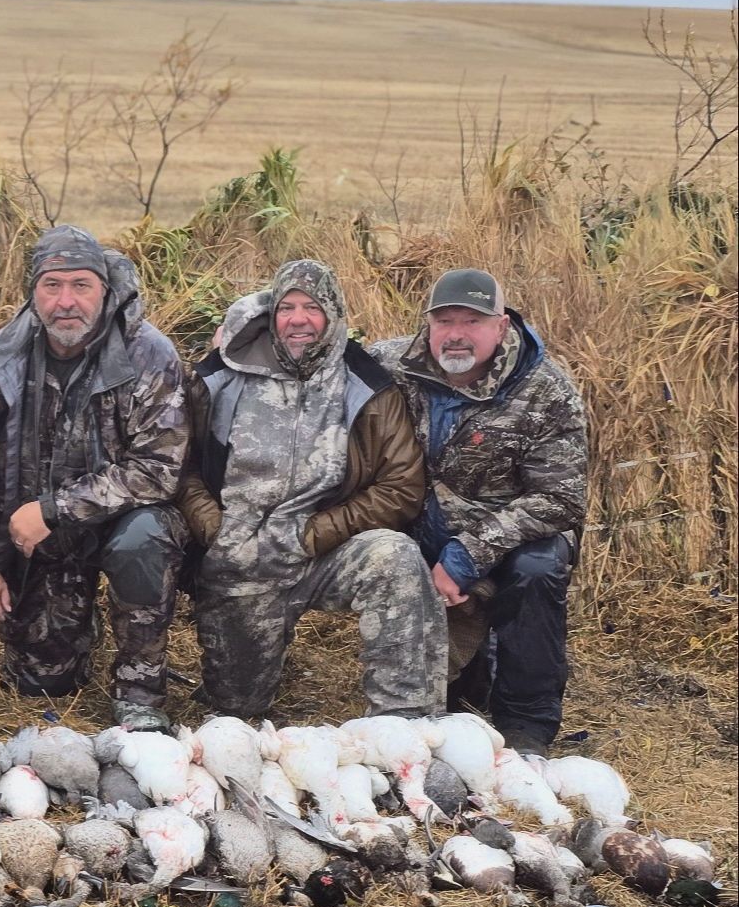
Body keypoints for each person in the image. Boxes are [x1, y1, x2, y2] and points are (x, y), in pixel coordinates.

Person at [179, 258, 444, 719]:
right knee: (236, 714)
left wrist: (312, 534)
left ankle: (408, 723)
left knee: (393, 557)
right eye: (287, 307)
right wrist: (215, 530)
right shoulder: (219, 377)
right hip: (240, 562)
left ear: (335, 313)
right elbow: (178, 468)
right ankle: (248, 677)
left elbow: (402, 485)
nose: (298, 319)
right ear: (271, 314)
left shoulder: (367, 386)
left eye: (313, 307)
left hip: (322, 553)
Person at [0, 225, 189, 730]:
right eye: (52, 286)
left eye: (81, 285)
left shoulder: (148, 353)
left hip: (118, 524)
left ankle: (139, 691)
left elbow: (159, 469)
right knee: (42, 682)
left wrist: (56, 510)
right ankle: (76, 622)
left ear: (105, 290)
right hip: (35, 543)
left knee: (143, 540)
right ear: (32, 293)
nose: (66, 301)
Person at [375, 268, 588, 754]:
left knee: (538, 571)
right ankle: (451, 684)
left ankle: (526, 725)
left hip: (509, 536)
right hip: (420, 529)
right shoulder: (392, 365)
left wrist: (465, 556)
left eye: (472, 321)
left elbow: (560, 499)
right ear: (427, 325)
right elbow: (316, 354)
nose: (455, 334)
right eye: (444, 320)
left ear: (502, 326)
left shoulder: (545, 390)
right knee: (443, 705)